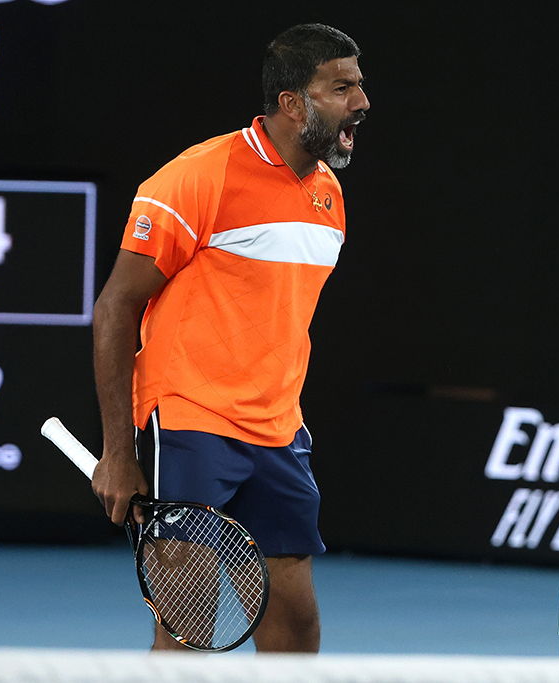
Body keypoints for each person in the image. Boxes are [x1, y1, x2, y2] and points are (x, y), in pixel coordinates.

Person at [90, 23, 369, 652]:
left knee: (295, 623)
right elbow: (115, 308)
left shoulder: (329, 194)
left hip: (278, 431)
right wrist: (118, 451)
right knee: (187, 626)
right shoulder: (199, 177)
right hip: (190, 422)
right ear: (293, 103)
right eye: (343, 87)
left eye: (360, 85)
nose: (362, 102)